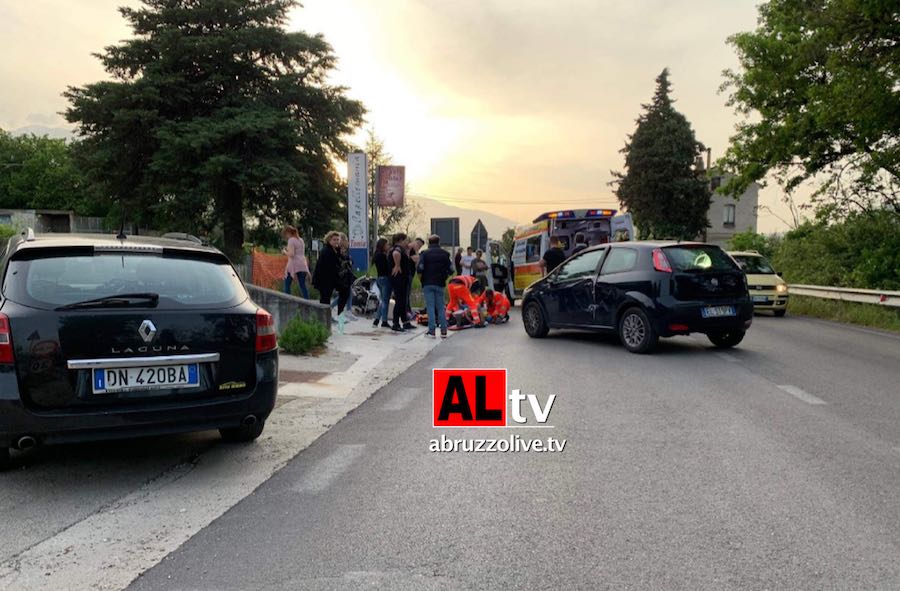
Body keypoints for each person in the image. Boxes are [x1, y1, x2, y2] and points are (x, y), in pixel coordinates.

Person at [417, 234, 453, 338]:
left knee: (430, 307)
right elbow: (451, 270)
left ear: (429, 242)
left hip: (427, 283)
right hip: (440, 283)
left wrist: (422, 278)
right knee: (441, 307)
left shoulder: (424, 254)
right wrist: (445, 276)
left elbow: (420, 268)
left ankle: (432, 331)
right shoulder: (445, 254)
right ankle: (443, 331)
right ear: (439, 242)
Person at [312, 231, 350, 315]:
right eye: (334, 240)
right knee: (325, 299)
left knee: (342, 293)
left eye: (337, 239)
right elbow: (332, 266)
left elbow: (341, 260)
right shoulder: (327, 251)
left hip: (330, 279)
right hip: (324, 280)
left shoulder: (335, 250)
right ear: (329, 240)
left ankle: (332, 314)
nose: (336, 241)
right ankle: (324, 317)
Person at [388, 233, 415, 331]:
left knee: (403, 301)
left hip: (402, 279)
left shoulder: (401, 249)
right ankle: (395, 323)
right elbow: (396, 254)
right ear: (400, 240)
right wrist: (397, 265)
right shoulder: (397, 249)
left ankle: (405, 322)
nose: (407, 242)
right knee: (399, 301)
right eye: (405, 240)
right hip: (399, 279)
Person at [282, 225, 310, 299]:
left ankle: (287, 301)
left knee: (287, 284)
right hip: (302, 264)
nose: (286, 236)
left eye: (285, 234)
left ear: (288, 233)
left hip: (293, 264)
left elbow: (291, 254)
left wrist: (284, 251)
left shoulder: (291, 240)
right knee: (302, 285)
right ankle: (307, 303)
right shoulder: (301, 240)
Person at [372, 238, 392, 328]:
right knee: (385, 301)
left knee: (382, 300)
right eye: (387, 244)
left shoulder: (376, 255)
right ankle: (384, 321)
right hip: (385, 279)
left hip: (379, 278)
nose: (388, 246)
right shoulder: (383, 256)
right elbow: (387, 268)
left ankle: (376, 320)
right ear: (383, 245)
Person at [407, 237, 425, 320]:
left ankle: (408, 310)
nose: (419, 247)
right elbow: (416, 260)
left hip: (411, 273)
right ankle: (407, 311)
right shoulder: (410, 249)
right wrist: (417, 251)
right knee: (406, 293)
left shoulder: (412, 250)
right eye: (419, 245)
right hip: (408, 274)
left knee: (408, 293)